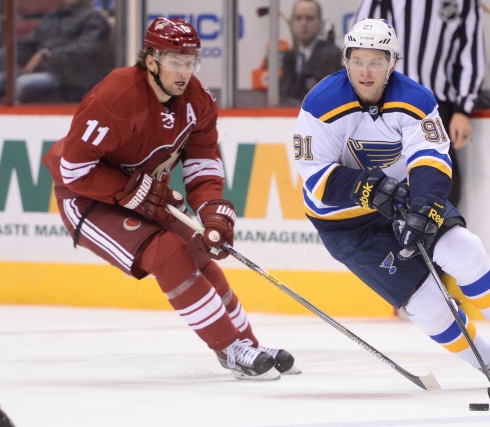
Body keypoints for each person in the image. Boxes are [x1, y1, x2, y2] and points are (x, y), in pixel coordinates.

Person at [293, 18, 490, 390]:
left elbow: (431, 157)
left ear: (392, 64)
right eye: (358, 60)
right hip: (347, 223)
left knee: (465, 249)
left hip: (402, 198)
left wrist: (425, 205)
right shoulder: (320, 104)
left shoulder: (416, 98)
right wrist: (365, 187)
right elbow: (315, 179)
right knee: (427, 302)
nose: (366, 71)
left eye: (377, 61)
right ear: (345, 60)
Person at [41, 17, 300, 380]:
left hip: (138, 190)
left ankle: (247, 344)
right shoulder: (116, 95)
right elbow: (74, 170)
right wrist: (133, 191)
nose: (184, 72)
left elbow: (203, 163)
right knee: (168, 253)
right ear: (151, 60)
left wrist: (213, 212)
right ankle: (228, 347)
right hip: (86, 200)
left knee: (197, 247)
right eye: (175, 61)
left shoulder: (198, 102)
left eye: (191, 61)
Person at [354, 0, 486, 208]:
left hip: (435, 106)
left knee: (439, 185)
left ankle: (433, 238)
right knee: (383, 182)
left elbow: (470, 51)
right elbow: (359, 43)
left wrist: (463, 109)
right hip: (385, 103)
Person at [0, 0, 111, 103]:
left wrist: (47, 55)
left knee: (23, 83)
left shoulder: (94, 18)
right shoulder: (53, 16)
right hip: (43, 71)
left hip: (72, 79)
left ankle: (15, 124)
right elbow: (27, 45)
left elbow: (88, 49)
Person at [280, 0, 342, 105]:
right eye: (298, 18)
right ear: (292, 22)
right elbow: (284, 94)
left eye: (309, 18)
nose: (303, 23)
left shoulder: (333, 55)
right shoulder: (289, 57)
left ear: (320, 23)